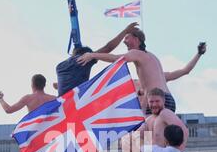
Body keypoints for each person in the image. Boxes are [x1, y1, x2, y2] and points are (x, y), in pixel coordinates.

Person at [77, 31, 206, 116]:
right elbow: (185, 71)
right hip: (170, 101)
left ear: (136, 39)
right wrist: (199, 54)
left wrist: (92, 55)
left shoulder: (137, 53)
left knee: (147, 137)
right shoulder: (154, 63)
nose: (124, 41)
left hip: (157, 100)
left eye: (127, 37)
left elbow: (117, 59)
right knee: (160, 137)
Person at [55, 23, 139, 97]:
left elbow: (69, 80)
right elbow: (108, 47)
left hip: (62, 106)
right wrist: (125, 31)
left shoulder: (60, 67)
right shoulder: (83, 60)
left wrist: (59, 86)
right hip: (76, 104)